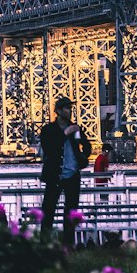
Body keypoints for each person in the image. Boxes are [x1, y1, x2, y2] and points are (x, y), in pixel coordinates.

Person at [39, 97, 92, 246]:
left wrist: (83, 158)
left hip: (72, 175)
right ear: (58, 111)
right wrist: (65, 134)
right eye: (67, 108)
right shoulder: (48, 130)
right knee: (48, 212)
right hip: (54, 176)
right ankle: (44, 245)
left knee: (70, 213)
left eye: (70, 108)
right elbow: (49, 148)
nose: (70, 111)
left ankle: (68, 246)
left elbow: (87, 145)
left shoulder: (75, 128)